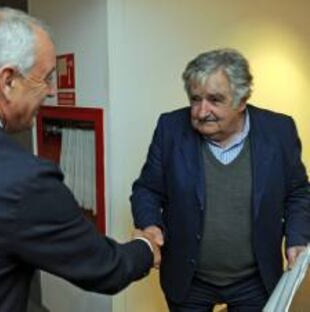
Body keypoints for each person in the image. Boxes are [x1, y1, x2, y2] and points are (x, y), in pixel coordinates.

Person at [0, 7, 160, 312]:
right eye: (45, 78)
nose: (49, 92)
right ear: (7, 80)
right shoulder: (23, 179)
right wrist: (145, 248)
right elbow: (103, 268)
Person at [131, 48, 310, 311]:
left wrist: (297, 238)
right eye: (195, 99)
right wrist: (150, 225)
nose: (202, 112)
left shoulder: (279, 130)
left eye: (215, 100)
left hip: (255, 280)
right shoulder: (170, 128)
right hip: (188, 280)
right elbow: (147, 189)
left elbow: (297, 192)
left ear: (241, 101)